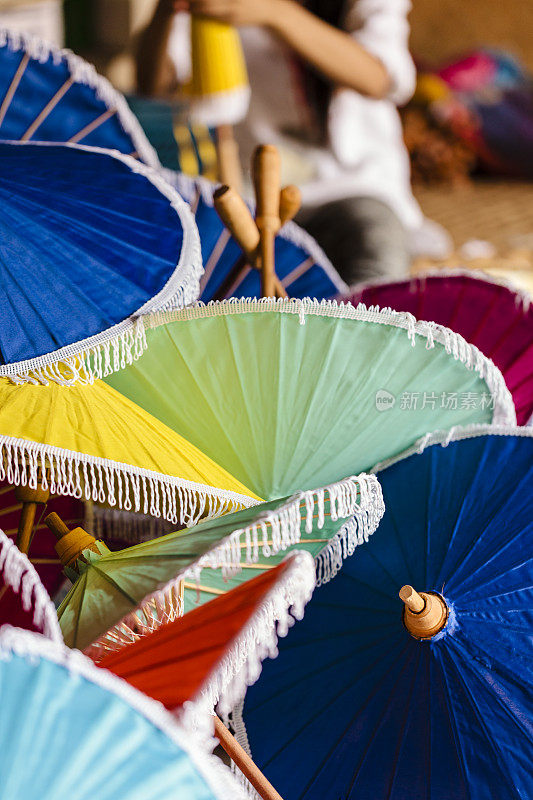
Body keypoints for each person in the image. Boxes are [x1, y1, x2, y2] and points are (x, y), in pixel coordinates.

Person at [137, 0, 450, 287]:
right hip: (255, 190)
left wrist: (274, 12)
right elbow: (154, 83)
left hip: (357, 187)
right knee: (193, 268)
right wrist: (168, 9)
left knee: (376, 270)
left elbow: (381, 77)